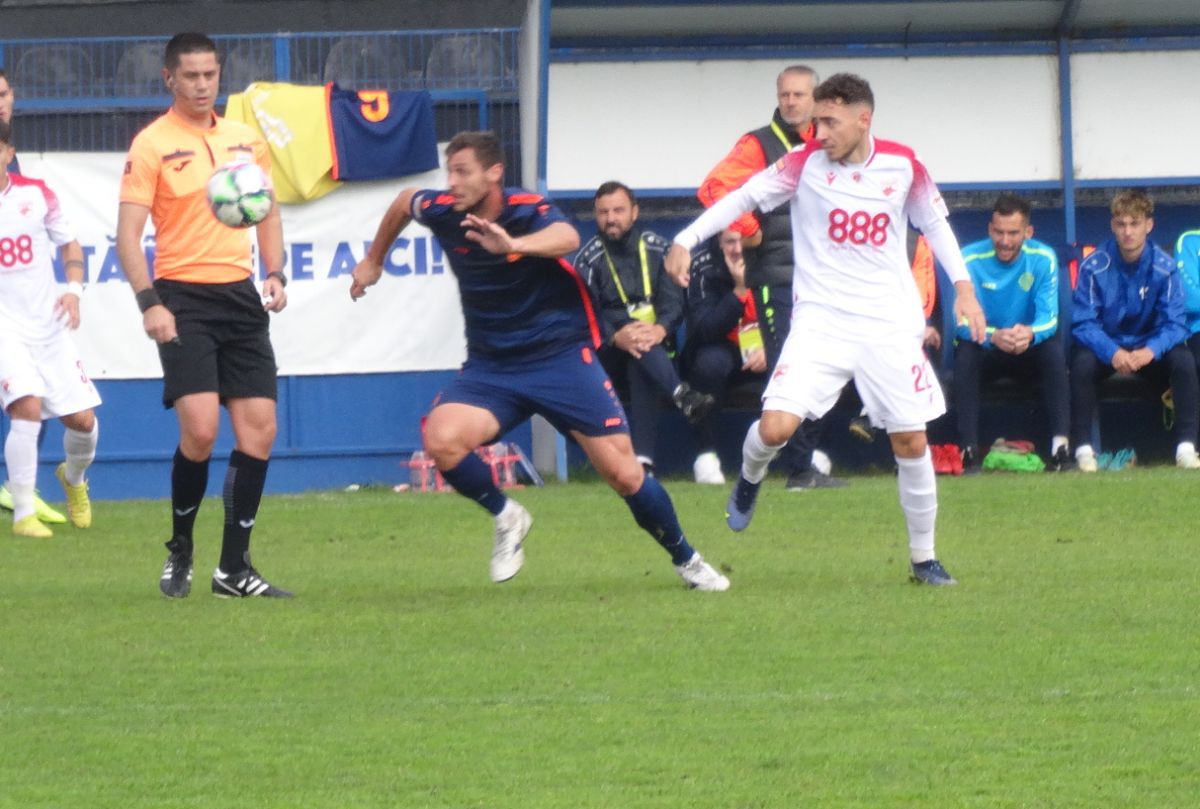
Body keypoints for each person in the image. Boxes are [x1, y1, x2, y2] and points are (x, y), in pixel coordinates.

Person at [349, 131, 729, 591]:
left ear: (494, 174)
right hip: (494, 367)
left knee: (624, 474)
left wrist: (513, 244)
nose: (452, 182)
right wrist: (373, 260)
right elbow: (405, 201)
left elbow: (567, 236)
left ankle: (686, 559)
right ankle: (507, 514)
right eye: (449, 171)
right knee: (441, 438)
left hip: (560, 359)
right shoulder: (444, 209)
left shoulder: (525, 208)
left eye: (462, 172)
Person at [666, 73, 986, 586]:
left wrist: (964, 288)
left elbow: (936, 226)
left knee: (910, 441)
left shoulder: (904, 166)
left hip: (886, 324)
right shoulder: (803, 164)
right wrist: (686, 237)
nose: (819, 132)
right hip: (821, 323)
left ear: (864, 119)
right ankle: (750, 478)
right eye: (815, 121)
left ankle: (924, 558)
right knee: (775, 429)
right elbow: (743, 198)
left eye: (829, 121)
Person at [116, 33, 292, 599]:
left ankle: (234, 569)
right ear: (169, 78)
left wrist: (275, 271)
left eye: (210, 75)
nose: (201, 85)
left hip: (239, 297)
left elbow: (266, 211)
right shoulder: (151, 145)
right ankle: (181, 549)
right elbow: (126, 237)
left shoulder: (245, 140)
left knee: (259, 433)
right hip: (182, 299)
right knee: (200, 431)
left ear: (220, 76)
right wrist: (152, 304)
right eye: (190, 76)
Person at [697, 64, 843, 490]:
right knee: (788, 369)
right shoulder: (758, 143)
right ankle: (797, 468)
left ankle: (805, 462)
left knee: (824, 368)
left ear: (815, 98)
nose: (792, 102)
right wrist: (748, 229)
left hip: (823, 276)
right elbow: (713, 189)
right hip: (776, 276)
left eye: (800, 95)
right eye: (786, 95)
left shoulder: (827, 139)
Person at [0, 120, 100, 538]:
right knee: (25, 404)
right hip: (5, 327)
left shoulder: (36, 195)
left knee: (82, 422)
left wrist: (73, 291)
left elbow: (69, 243)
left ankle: (73, 481)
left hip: (47, 323)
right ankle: (24, 513)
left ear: (8, 153)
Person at [575, 181, 713, 470]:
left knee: (642, 354)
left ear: (634, 212)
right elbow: (585, 314)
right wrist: (615, 337)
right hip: (606, 356)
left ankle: (643, 466)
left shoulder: (659, 249)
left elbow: (675, 303)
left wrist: (661, 329)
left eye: (618, 210)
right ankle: (681, 395)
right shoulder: (588, 259)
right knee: (638, 348)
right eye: (603, 212)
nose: (610, 218)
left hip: (655, 347)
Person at [1070, 190, 1199, 472]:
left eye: (1135, 224)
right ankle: (1082, 451)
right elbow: (1083, 322)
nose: (1128, 232)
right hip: (1108, 347)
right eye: (1121, 224)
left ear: (1148, 226)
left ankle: (1187, 448)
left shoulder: (1164, 267)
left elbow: (1176, 323)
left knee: (1184, 360)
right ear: (1113, 226)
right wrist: (1112, 351)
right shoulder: (1094, 265)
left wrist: (1151, 350)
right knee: (1081, 363)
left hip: (1148, 349)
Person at [955, 194, 1071, 471]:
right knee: (965, 351)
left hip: (1026, 347)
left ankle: (1061, 448)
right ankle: (968, 452)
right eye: (999, 232)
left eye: (1013, 233)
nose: (1005, 241)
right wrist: (992, 335)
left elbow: (1049, 318)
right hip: (989, 346)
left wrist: (1029, 334)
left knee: (1053, 350)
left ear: (1028, 232)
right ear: (989, 229)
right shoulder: (968, 258)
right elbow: (960, 319)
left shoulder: (1043, 258)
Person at [0, 67, 66, 524]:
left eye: (2, 93)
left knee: (31, 396)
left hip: (24, 314)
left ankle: (19, 488)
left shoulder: (16, 170)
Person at [681, 228, 768, 485]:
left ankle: (802, 460)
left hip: (765, 345)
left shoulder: (771, 259)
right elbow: (705, 330)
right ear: (719, 242)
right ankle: (706, 456)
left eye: (744, 241)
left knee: (800, 362)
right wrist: (739, 291)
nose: (738, 249)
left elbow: (791, 316)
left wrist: (770, 348)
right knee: (708, 365)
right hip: (722, 345)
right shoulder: (703, 266)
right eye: (731, 241)